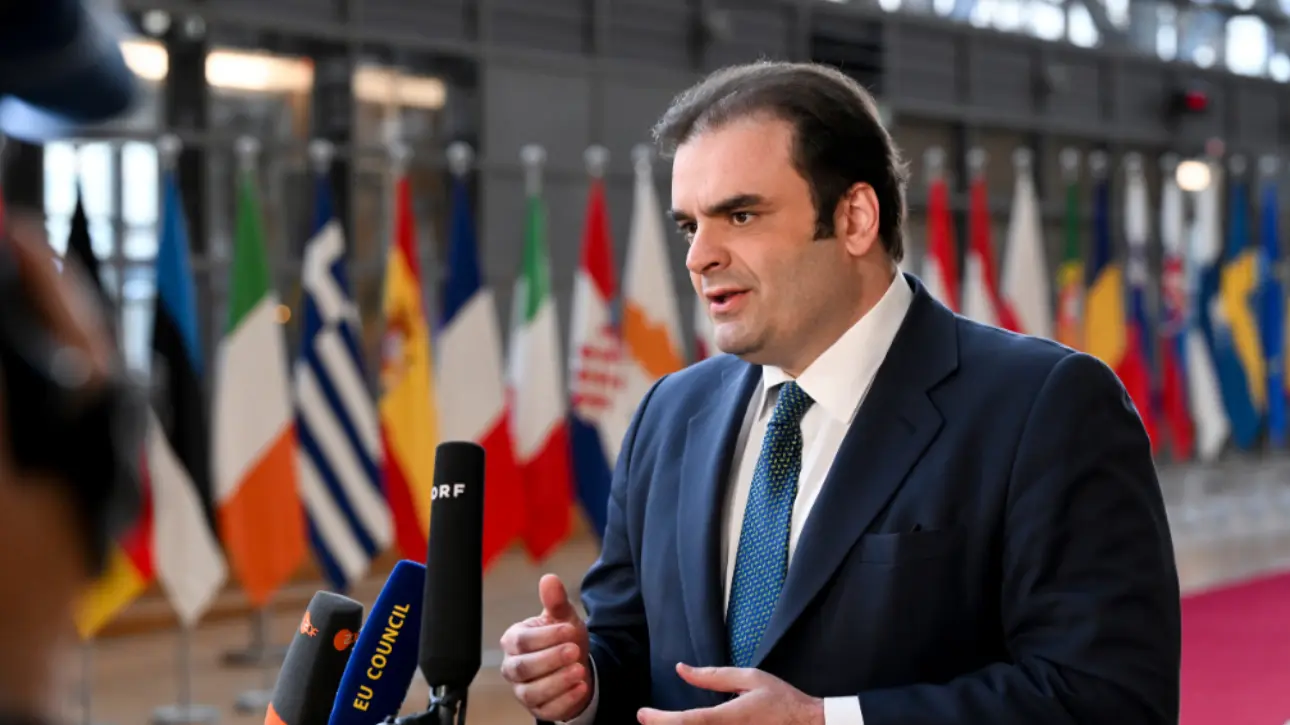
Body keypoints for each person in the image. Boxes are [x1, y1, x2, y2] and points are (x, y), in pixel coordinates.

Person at [499, 60, 1181, 725]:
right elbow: (630, 649)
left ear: (855, 218)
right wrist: (581, 684)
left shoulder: (1046, 405)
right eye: (689, 225)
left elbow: (1107, 697)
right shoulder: (668, 414)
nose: (699, 256)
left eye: (740, 215)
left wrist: (828, 720)